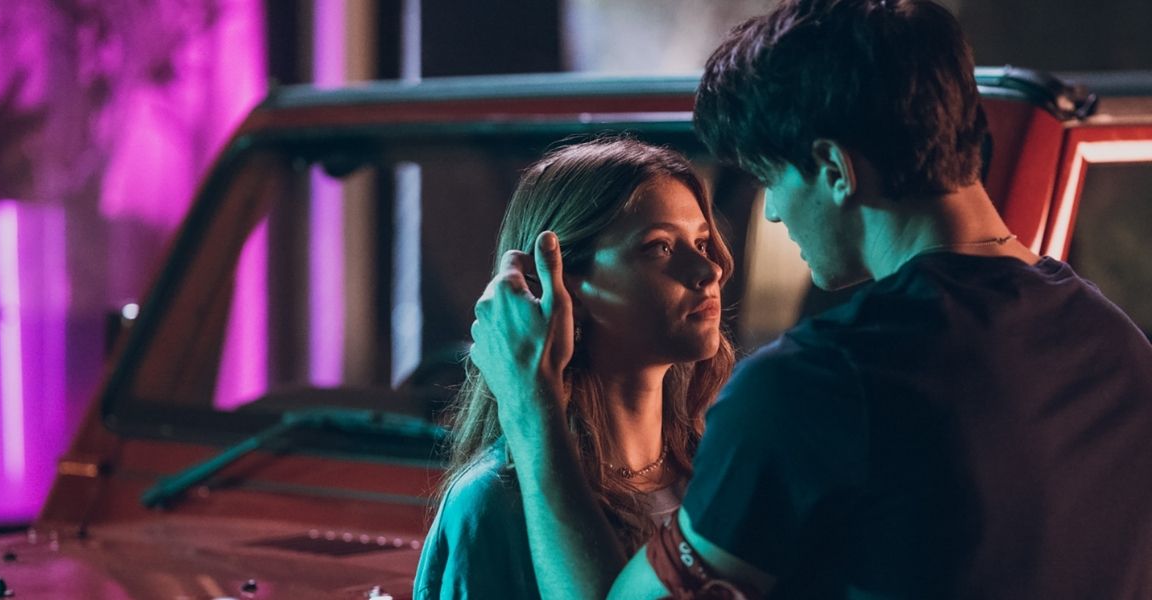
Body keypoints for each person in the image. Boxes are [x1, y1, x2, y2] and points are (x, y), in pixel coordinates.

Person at [470, 0, 1152, 598]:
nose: (772, 214)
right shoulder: (1114, 342)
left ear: (833, 169)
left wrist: (531, 411)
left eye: (772, 179)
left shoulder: (819, 384)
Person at [413, 137, 736, 599]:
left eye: (702, 242)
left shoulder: (715, 473)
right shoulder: (495, 502)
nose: (708, 270)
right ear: (561, 286)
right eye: (659, 247)